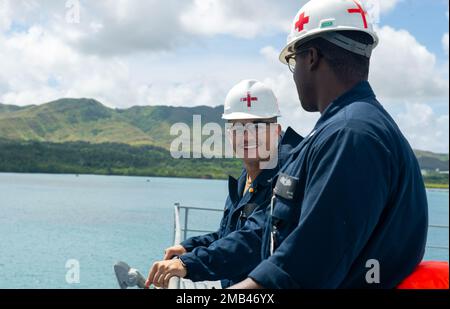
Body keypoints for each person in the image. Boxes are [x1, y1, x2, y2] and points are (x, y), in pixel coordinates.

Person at [230, 0, 428, 289]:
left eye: (293, 62)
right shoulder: (345, 129)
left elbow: (307, 265)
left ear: (311, 57)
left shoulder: (351, 135)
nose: (295, 74)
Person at [145, 80, 303, 289]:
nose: (247, 136)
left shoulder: (291, 174)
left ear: (276, 130)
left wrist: (189, 263)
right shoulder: (247, 176)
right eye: (238, 127)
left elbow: (256, 240)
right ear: (229, 134)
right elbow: (228, 235)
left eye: (258, 126)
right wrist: (188, 248)